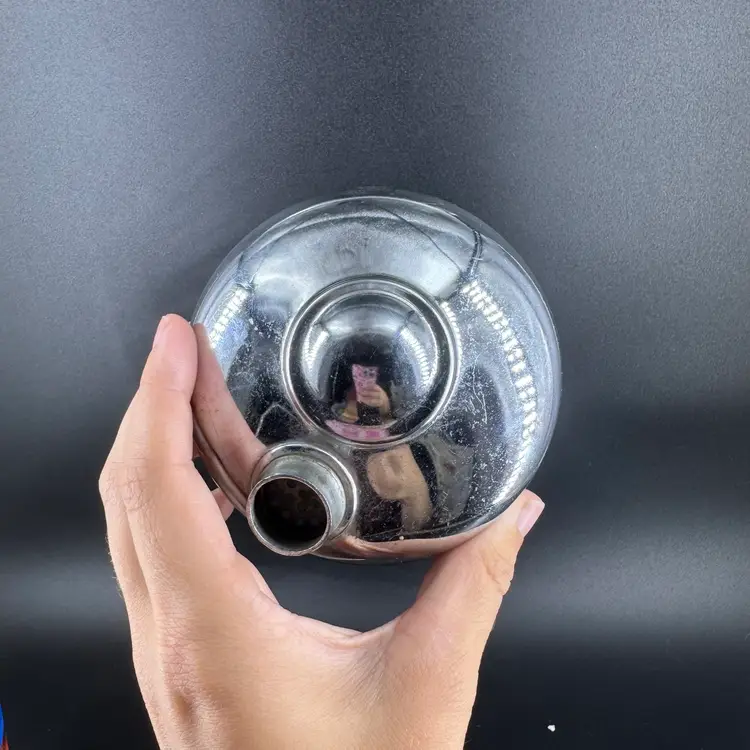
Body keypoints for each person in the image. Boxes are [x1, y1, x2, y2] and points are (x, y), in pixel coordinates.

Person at [99, 315, 545, 750]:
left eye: (371, 387)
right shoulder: (307, 427)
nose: (362, 393)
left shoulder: (425, 459)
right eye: (353, 386)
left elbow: (426, 509)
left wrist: (408, 485)